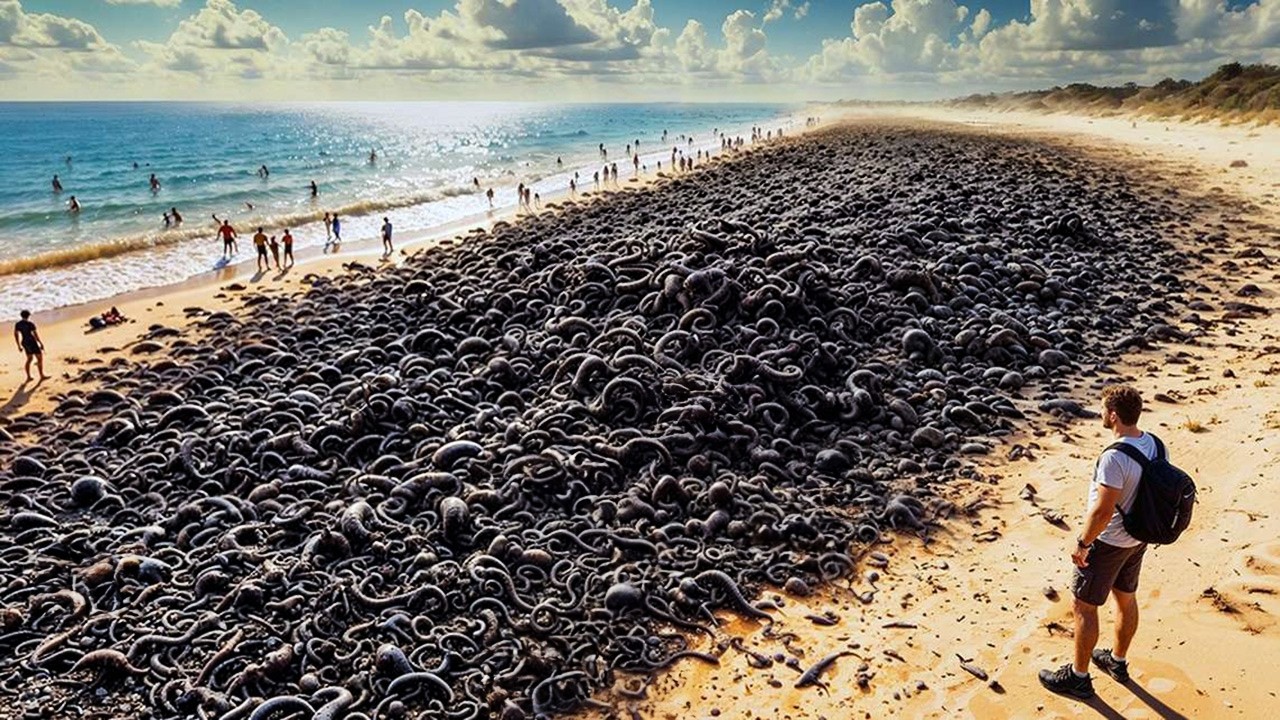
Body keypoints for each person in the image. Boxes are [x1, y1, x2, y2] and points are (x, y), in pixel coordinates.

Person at [1039, 385, 1158, 700]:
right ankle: (1117, 662)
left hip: (1109, 543)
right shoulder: (1155, 445)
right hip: (1137, 539)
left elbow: (1103, 511)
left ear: (1114, 415)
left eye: (1104, 410)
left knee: (1084, 606)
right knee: (1126, 598)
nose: (1102, 415)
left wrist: (1083, 543)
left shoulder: (1114, 457)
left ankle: (1078, 678)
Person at [14, 310, 47, 382]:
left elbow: (16, 334)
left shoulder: (18, 324)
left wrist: (19, 345)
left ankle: (28, 376)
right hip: (32, 341)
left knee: (29, 359)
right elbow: (35, 334)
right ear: (28, 316)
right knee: (39, 358)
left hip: (25, 342)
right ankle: (41, 375)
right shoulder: (30, 324)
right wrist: (40, 343)